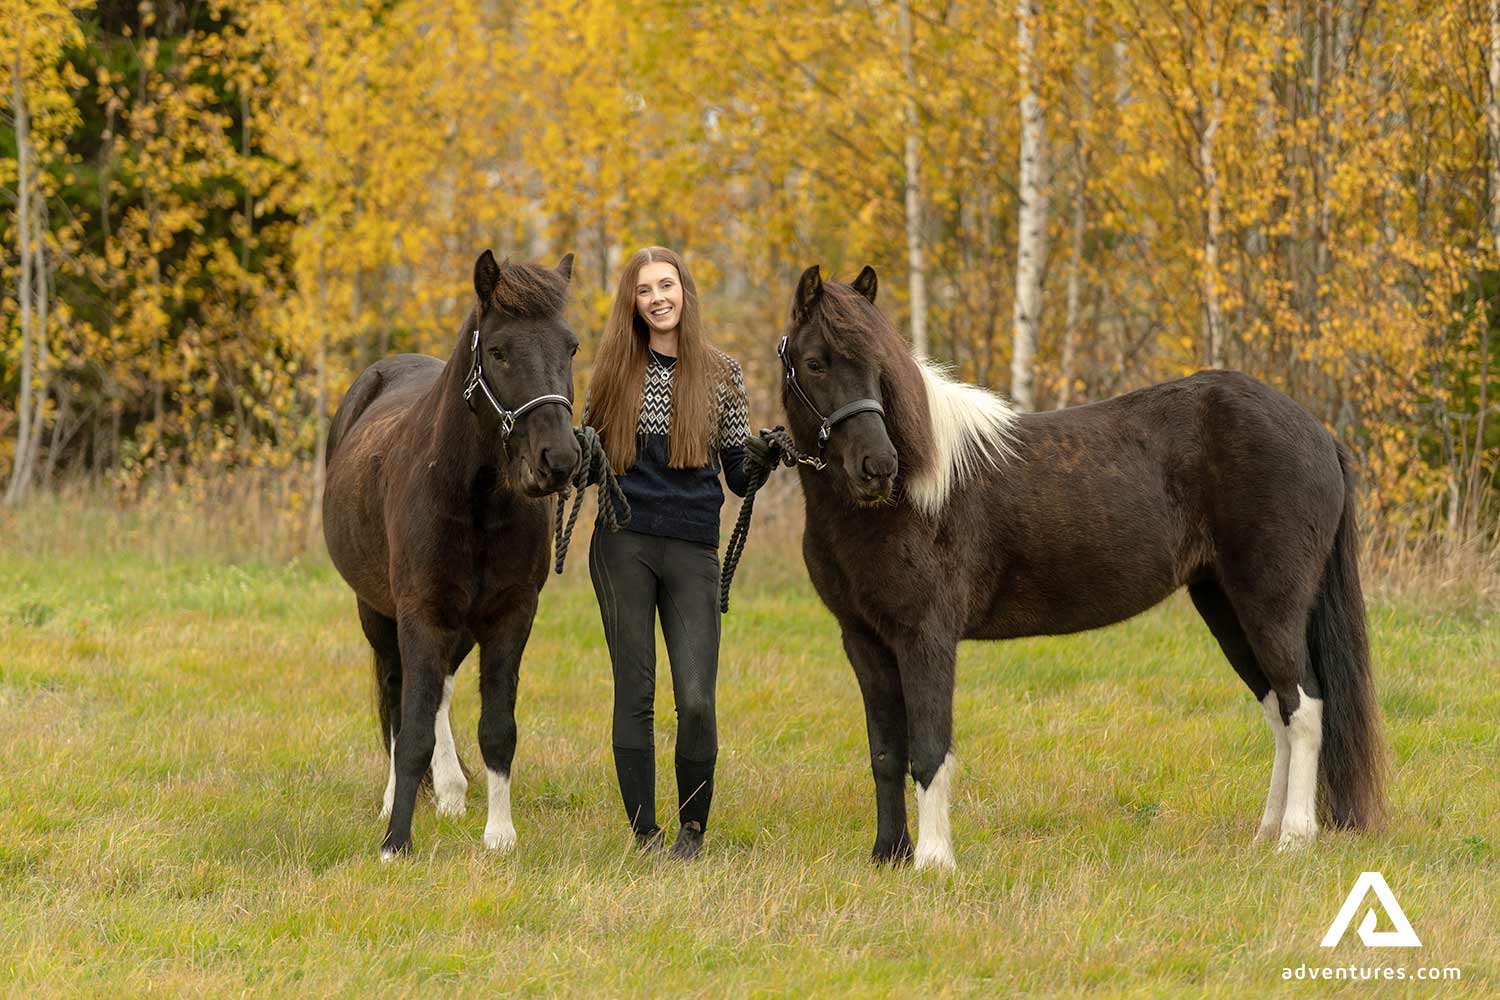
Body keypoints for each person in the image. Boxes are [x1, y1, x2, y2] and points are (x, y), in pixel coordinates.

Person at [583, 246, 766, 860]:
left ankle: (692, 831)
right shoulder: (613, 371)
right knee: (633, 692)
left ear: (685, 290)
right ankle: (644, 834)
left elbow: (739, 476)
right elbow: (586, 463)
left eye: (667, 285)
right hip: (623, 542)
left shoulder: (722, 375)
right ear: (630, 304)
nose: (658, 298)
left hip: (692, 547)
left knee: (695, 696)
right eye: (644, 290)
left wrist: (764, 457)